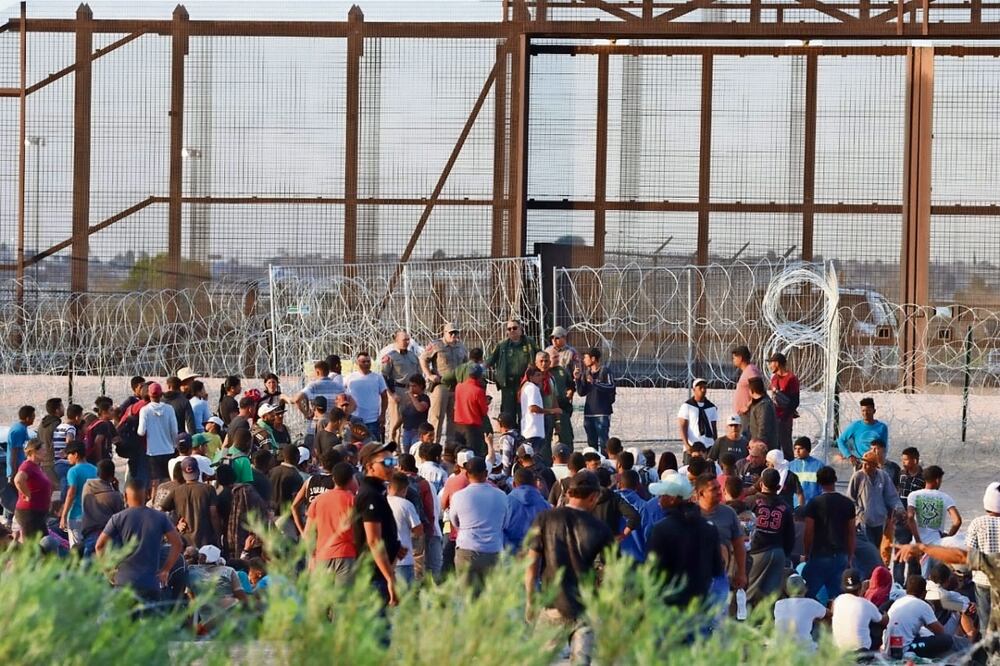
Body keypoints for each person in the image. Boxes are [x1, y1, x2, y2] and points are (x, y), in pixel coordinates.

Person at [525, 470, 613, 665]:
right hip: (585, 607)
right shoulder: (600, 528)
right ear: (593, 496)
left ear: (569, 493)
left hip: (552, 604)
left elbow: (531, 563)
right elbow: (612, 572)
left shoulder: (545, 518)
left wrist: (530, 599)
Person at [646, 471, 724, 614]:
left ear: (672, 499)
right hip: (700, 605)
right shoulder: (709, 527)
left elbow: (653, 572)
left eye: (662, 495)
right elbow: (717, 569)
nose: (658, 500)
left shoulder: (661, 529)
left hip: (670, 607)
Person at [96, 479, 184, 601]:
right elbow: (177, 544)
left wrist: (108, 570)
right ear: (147, 495)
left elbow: (99, 546)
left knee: (124, 620)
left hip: (124, 582)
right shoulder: (160, 518)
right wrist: (165, 570)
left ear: (125, 496)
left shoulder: (118, 518)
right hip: (150, 583)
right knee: (151, 619)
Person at [353, 440, 401, 605]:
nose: (392, 467)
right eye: (386, 463)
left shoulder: (377, 492)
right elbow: (373, 540)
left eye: (393, 462)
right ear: (370, 466)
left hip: (377, 575)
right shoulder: (370, 495)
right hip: (373, 578)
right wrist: (390, 578)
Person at [450, 456, 509, 584]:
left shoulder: (458, 496)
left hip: (467, 549)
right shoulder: (501, 496)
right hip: (493, 550)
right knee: (491, 598)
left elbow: (454, 521)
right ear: (486, 473)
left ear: (466, 474)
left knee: (467, 598)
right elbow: (505, 523)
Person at [802, 466, 857, 600]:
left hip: (819, 554)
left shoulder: (813, 504)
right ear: (835, 480)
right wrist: (850, 556)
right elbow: (851, 532)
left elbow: (808, 531)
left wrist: (806, 552)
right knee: (837, 597)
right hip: (840, 555)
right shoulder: (848, 503)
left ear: (818, 482)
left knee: (806, 594)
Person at [695, 473, 747, 608]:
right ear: (701, 493)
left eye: (719, 487)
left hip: (720, 576)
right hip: (694, 577)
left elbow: (739, 545)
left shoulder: (729, 513)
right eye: (714, 489)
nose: (719, 492)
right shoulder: (690, 513)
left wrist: (741, 572)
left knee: (719, 619)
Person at [747, 468, 796, 606]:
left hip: (757, 551)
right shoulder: (785, 507)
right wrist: (785, 554)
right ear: (779, 487)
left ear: (761, 483)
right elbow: (790, 537)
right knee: (771, 597)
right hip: (778, 551)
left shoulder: (751, 501)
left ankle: (745, 623)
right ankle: (768, 624)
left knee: (749, 592)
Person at [304, 461, 357, 584]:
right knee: (343, 600)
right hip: (346, 554)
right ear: (351, 480)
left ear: (333, 479)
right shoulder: (353, 501)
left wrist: (312, 557)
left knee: (323, 600)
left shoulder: (318, 500)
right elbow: (358, 532)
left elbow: (308, 533)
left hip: (322, 555)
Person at [906, 465, 961, 575]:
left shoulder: (914, 495)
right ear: (937, 480)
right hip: (935, 547)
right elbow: (957, 521)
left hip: (916, 547)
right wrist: (948, 537)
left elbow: (910, 517)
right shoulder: (945, 497)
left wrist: (918, 541)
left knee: (913, 583)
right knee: (933, 582)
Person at [420, 322, 468, 445]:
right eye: (451, 332)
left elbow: (466, 364)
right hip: (441, 384)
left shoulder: (461, 347)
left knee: (454, 418)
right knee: (437, 416)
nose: (453, 335)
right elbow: (423, 359)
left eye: (456, 332)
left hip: (457, 386)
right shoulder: (437, 345)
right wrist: (429, 375)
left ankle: (450, 447)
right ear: (444, 333)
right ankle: (432, 444)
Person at [883, 576, 954, 658]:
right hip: (907, 648)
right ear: (924, 592)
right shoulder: (923, 605)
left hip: (889, 647)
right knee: (947, 640)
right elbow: (940, 631)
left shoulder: (897, 602)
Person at [486, 319, 539, 426]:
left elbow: (539, 357)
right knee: (508, 413)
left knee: (524, 411)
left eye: (515, 328)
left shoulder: (529, 343)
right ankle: (509, 437)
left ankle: (523, 437)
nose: (512, 330)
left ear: (521, 329)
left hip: (525, 383)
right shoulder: (502, 345)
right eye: (509, 329)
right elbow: (490, 361)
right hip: (508, 385)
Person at [847, 449, 901, 552]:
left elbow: (892, 496)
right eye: (864, 463)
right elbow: (850, 499)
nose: (865, 466)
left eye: (869, 464)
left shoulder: (883, 476)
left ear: (875, 465)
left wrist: (900, 509)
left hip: (880, 521)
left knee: (877, 549)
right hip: (863, 522)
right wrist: (860, 513)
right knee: (868, 549)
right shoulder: (858, 476)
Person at [161, 457, 222, 549]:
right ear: (197, 471)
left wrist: (175, 527)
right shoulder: (208, 489)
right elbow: (213, 515)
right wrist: (218, 536)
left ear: (183, 473)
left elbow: (160, 511)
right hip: (206, 540)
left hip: (184, 540)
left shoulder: (177, 491)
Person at [965, 481, 1000, 637]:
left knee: (985, 622)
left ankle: (988, 655)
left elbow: (970, 554)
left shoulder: (977, 523)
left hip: (982, 579)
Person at [830, 568, 888, 652]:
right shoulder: (865, 604)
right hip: (861, 651)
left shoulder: (837, 601)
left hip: (840, 650)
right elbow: (884, 621)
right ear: (860, 585)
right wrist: (886, 613)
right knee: (877, 619)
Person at [138, 382, 179, 495]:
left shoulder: (145, 410)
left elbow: (141, 432)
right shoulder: (169, 409)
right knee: (168, 480)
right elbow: (174, 431)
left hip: (152, 451)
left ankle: (154, 504)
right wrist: (175, 445)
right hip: (168, 449)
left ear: (149, 395)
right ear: (161, 395)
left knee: (154, 482)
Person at [381, 330, 422, 441]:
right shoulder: (390, 357)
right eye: (404, 339)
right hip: (398, 390)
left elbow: (419, 374)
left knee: (411, 420)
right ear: (396, 340)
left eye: (408, 339)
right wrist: (391, 394)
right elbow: (384, 377)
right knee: (396, 421)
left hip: (412, 391)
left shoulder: (413, 356)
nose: (407, 342)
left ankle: (409, 444)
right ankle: (394, 447)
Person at [575, 348, 615, 455]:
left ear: (593, 358)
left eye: (586, 357)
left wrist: (594, 383)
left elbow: (611, 386)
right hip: (589, 413)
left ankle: (605, 464)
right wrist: (578, 379)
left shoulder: (605, 371)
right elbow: (581, 392)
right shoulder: (587, 373)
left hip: (602, 411)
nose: (584, 360)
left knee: (603, 442)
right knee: (591, 442)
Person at [774, 574, 829, 651]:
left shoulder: (778, 604)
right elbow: (829, 614)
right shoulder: (811, 603)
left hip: (782, 652)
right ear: (805, 589)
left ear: (786, 590)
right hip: (806, 652)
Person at [81, 459, 124, 556]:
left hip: (90, 535)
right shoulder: (115, 496)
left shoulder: (87, 487)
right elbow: (121, 516)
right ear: (112, 476)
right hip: (110, 537)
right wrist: (116, 489)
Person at [13, 438, 53, 542]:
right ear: (34, 451)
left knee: (44, 543)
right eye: (43, 450)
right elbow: (18, 480)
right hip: (29, 512)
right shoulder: (27, 466)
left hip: (38, 512)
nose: (45, 452)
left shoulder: (36, 466)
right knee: (33, 546)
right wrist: (27, 494)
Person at [386, 472, 423, 585]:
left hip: (384, 559)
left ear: (389, 487)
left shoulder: (380, 502)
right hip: (403, 559)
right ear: (405, 489)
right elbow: (418, 530)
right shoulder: (406, 505)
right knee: (405, 597)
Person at [59, 442, 98, 548]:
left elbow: (71, 494)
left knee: (76, 549)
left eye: (69, 454)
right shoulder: (95, 469)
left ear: (75, 454)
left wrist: (64, 515)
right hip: (92, 515)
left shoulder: (73, 471)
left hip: (76, 515)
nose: (68, 457)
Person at [346, 351, 389, 441]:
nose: (366, 364)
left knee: (373, 446)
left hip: (372, 420)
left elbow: (384, 396)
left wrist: (383, 415)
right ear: (357, 363)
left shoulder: (377, 377)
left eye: (368, 361)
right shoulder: (350, 378)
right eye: (363, 362)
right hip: (355, 419)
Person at [520, 366, 561, 459]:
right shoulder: (532, 388)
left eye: (540, 375)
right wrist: (552, 411)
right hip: (533, 430)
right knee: (533, 457)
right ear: (531, 377)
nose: (541, 377)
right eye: (537, 375)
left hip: (531, 430)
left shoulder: (528, 387)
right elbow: (533, 408)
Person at [836, 397, 889, 466]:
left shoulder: (882, 427)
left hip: (875, 463)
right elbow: (840, 440)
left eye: (868, 410)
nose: (865, 413)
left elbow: (884, 447)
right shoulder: (855, 426)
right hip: (860, 463)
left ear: (874, 411)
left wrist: (881, 462)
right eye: (863, 410)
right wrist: (849, 455)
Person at [677, 378, 718, 464]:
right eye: (700, 388)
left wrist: (715, 444)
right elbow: (682, 426)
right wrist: (686, 444)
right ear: (694, 389)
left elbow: (713, 427)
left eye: (704, 388)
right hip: (693, 445)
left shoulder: (711, 407)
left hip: (708, 445)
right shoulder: (687, 406)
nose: (703, 390)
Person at [767, 352, 800, 460]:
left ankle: (789, 470)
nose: (770, 366)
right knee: (774, 446)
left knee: (786, 446)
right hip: (774, 416)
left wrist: (784, 417)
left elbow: (795, 401)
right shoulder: (774, 378)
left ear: (777, 363)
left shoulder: (791, 378)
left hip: (784, 418)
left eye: (771, 363)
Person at [546, 340, 576, 447]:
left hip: (562, 407)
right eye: (554, 357)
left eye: (557, 357)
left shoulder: (562, 371)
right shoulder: (543, 373)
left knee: (566, 436)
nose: (557, 359)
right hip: (548, 409)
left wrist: (570, 391)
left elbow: (571, 385)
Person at [454, 364, 489, 456]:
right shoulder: (478, 391)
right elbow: (484, 411)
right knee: (473, 455)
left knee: (460, 454)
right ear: (480, 376)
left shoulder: (459, 387)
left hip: (458, 425)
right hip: (472, 427)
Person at [394, 374, 430, 450]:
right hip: (407, 431)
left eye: (414, 386)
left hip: (418, 432)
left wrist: (411, 396)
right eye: (410, 386)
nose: (411, 388)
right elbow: (403, 416)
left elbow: (420, 408)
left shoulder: (424, 398)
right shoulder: (409, 400)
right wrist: (395, 428)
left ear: (420, 386)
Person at [788, 436, 823, 508]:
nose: (797, 451)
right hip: (794, 507)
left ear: (808, 449)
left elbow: (822, 488)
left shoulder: (819, 466)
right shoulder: (790, 466)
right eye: (795, 448)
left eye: (800, 448)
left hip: (813, 507)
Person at [731, 344, 762, 423]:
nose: (733, 360)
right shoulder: (748, 370)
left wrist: (747, 407)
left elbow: (758, 393)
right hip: (743, 415)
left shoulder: (751, 371)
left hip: (747, 415)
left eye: (734, 358)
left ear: (740, 358)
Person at [746, 376, 778, 451]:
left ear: (751, 390)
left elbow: (763, 427)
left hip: (763, 448)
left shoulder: (764, 405)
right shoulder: (758, 403)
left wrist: (758, 446)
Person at [6, 405, 34, 486]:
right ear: (27, 418)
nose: (34, 419)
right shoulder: (18, 430)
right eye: (33, 417)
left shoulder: (22, 428)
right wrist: (13, 473)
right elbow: (13, 453)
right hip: (17, 470)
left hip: (21, 469)